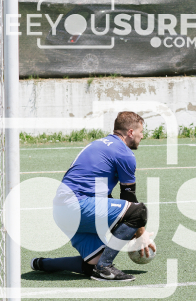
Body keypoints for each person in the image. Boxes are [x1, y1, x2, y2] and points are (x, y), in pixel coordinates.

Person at [31, 111, 156, 281]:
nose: (142, 136)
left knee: (92, 263)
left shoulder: (98, 144)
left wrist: (128, 229)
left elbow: (104, 197)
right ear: (130, 132)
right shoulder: (124, 153)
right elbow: (129, 199)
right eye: (141, 132)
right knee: (139, 212)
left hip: (61, 210)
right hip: (78, 205)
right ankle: (105, 268)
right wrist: (141, 234)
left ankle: (43, 264)